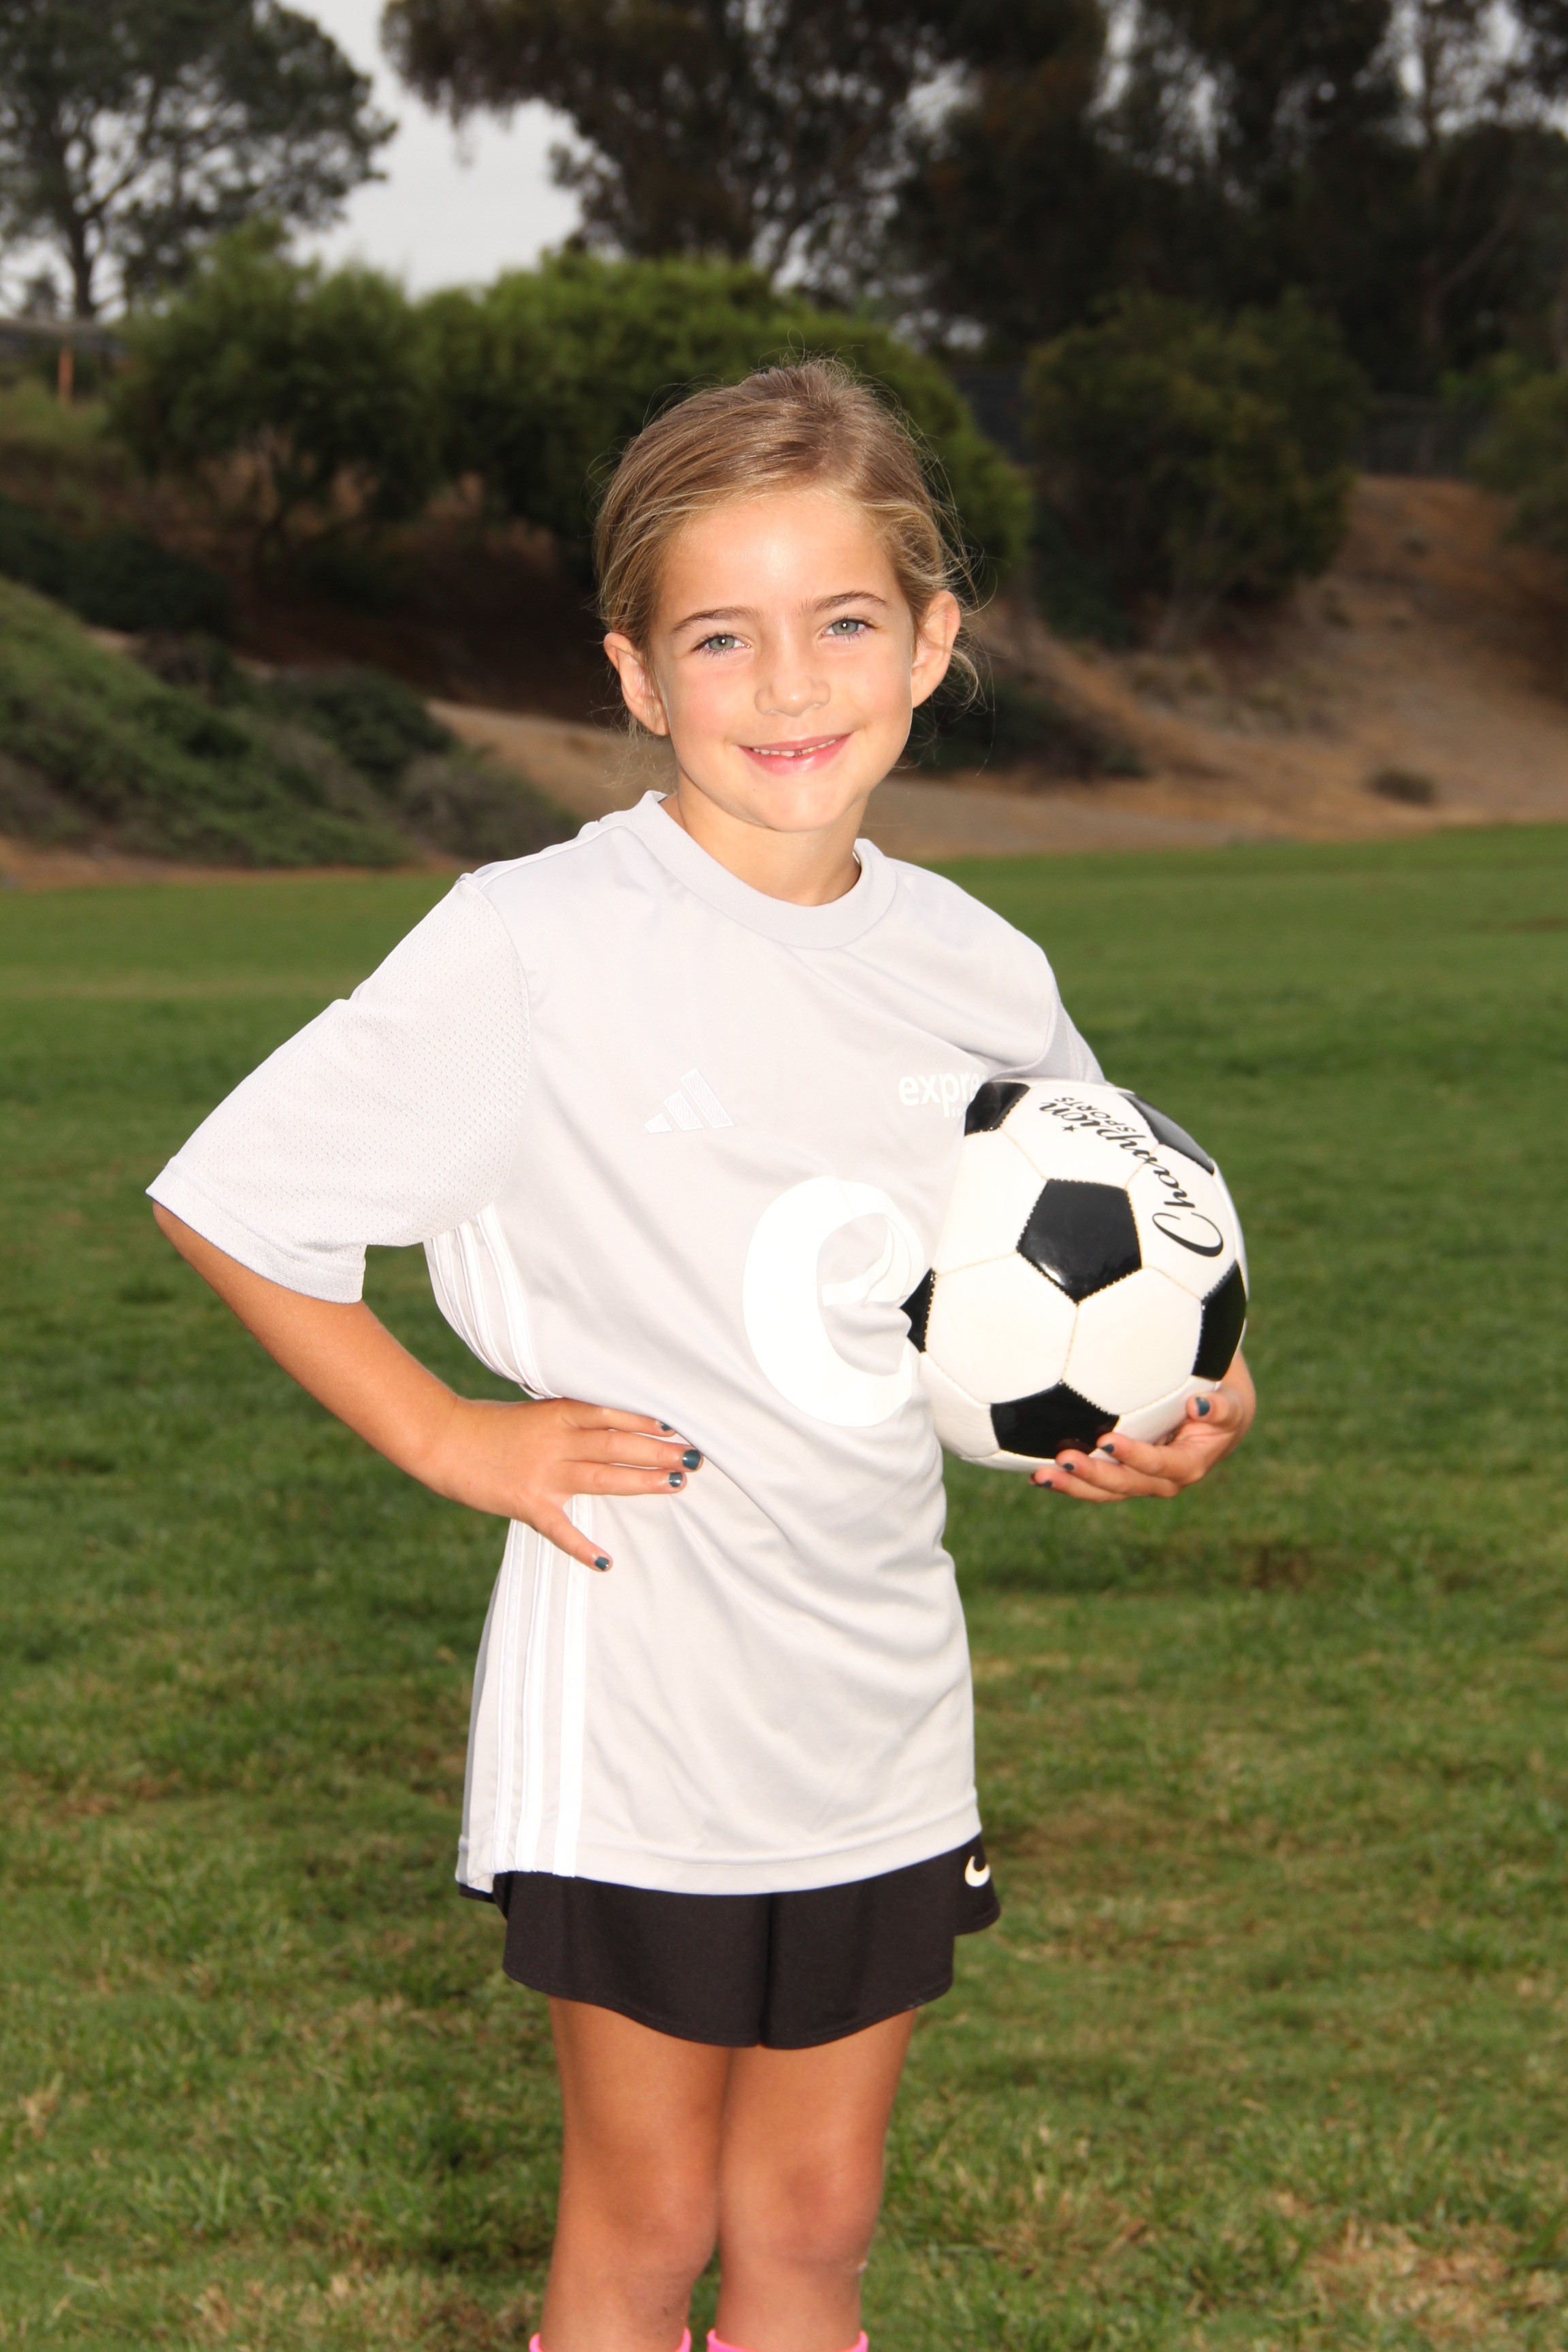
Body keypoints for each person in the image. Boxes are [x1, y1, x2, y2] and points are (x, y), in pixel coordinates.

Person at [149, 361, 1255, 2352]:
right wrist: (453, 1437)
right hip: (640, 1703)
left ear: (932, 640)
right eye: (721, 637)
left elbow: (1112, 1255)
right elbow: (234, 1198)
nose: (790, 683)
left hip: (880, 1697)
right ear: (638, 677)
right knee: (650, 2218)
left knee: (816, 2218)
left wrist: (1186, 1405)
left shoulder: (981, 969)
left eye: (844, 621)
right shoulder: (536, 940)